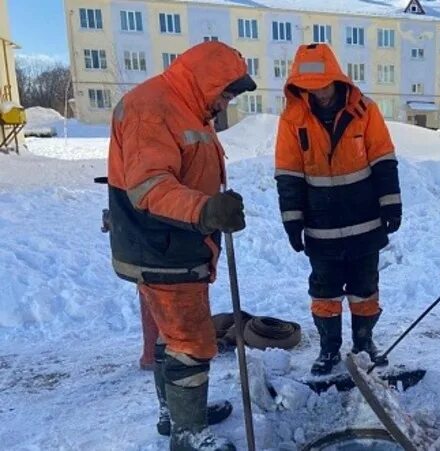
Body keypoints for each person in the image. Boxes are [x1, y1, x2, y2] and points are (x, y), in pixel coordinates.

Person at [106, 41, 256, 451]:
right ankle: (189, 437)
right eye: (225, 92)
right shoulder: (153, 107)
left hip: (172, 243)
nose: (226, 103)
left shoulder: (187, 105)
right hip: (162, 245)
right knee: (191, 341)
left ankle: (175, 413)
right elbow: (150, 186)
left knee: (170, 337)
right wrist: (207, 210)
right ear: (204, 80)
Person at [274, 43, 401, 375]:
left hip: (365, 220)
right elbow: (288, 173)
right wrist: (292, 219)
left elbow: (383, 158)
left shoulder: (365, 110)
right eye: (310, 88)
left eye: (323, 85)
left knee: (365, 288)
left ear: (337, 79)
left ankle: (363, 344)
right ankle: (329, 349)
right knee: (324, 291)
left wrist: (391, 203)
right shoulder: (292, 119)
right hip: (321, 224)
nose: (319, 94)